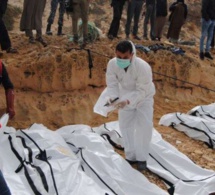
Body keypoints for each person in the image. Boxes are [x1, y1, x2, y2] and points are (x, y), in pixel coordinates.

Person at [105, 40, 155, 171]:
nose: (121, 60)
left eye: (125, 57)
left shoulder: (142, 67)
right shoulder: (112, 64)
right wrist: (114, 98)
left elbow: (142, 90)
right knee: (125, 126)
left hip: (144, 98)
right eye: (119, 57)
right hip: (124, 96)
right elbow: (112, 83)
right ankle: (131, 156)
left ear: (132, 54)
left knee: (143, 127)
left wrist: (128, 101)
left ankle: (142, 158)